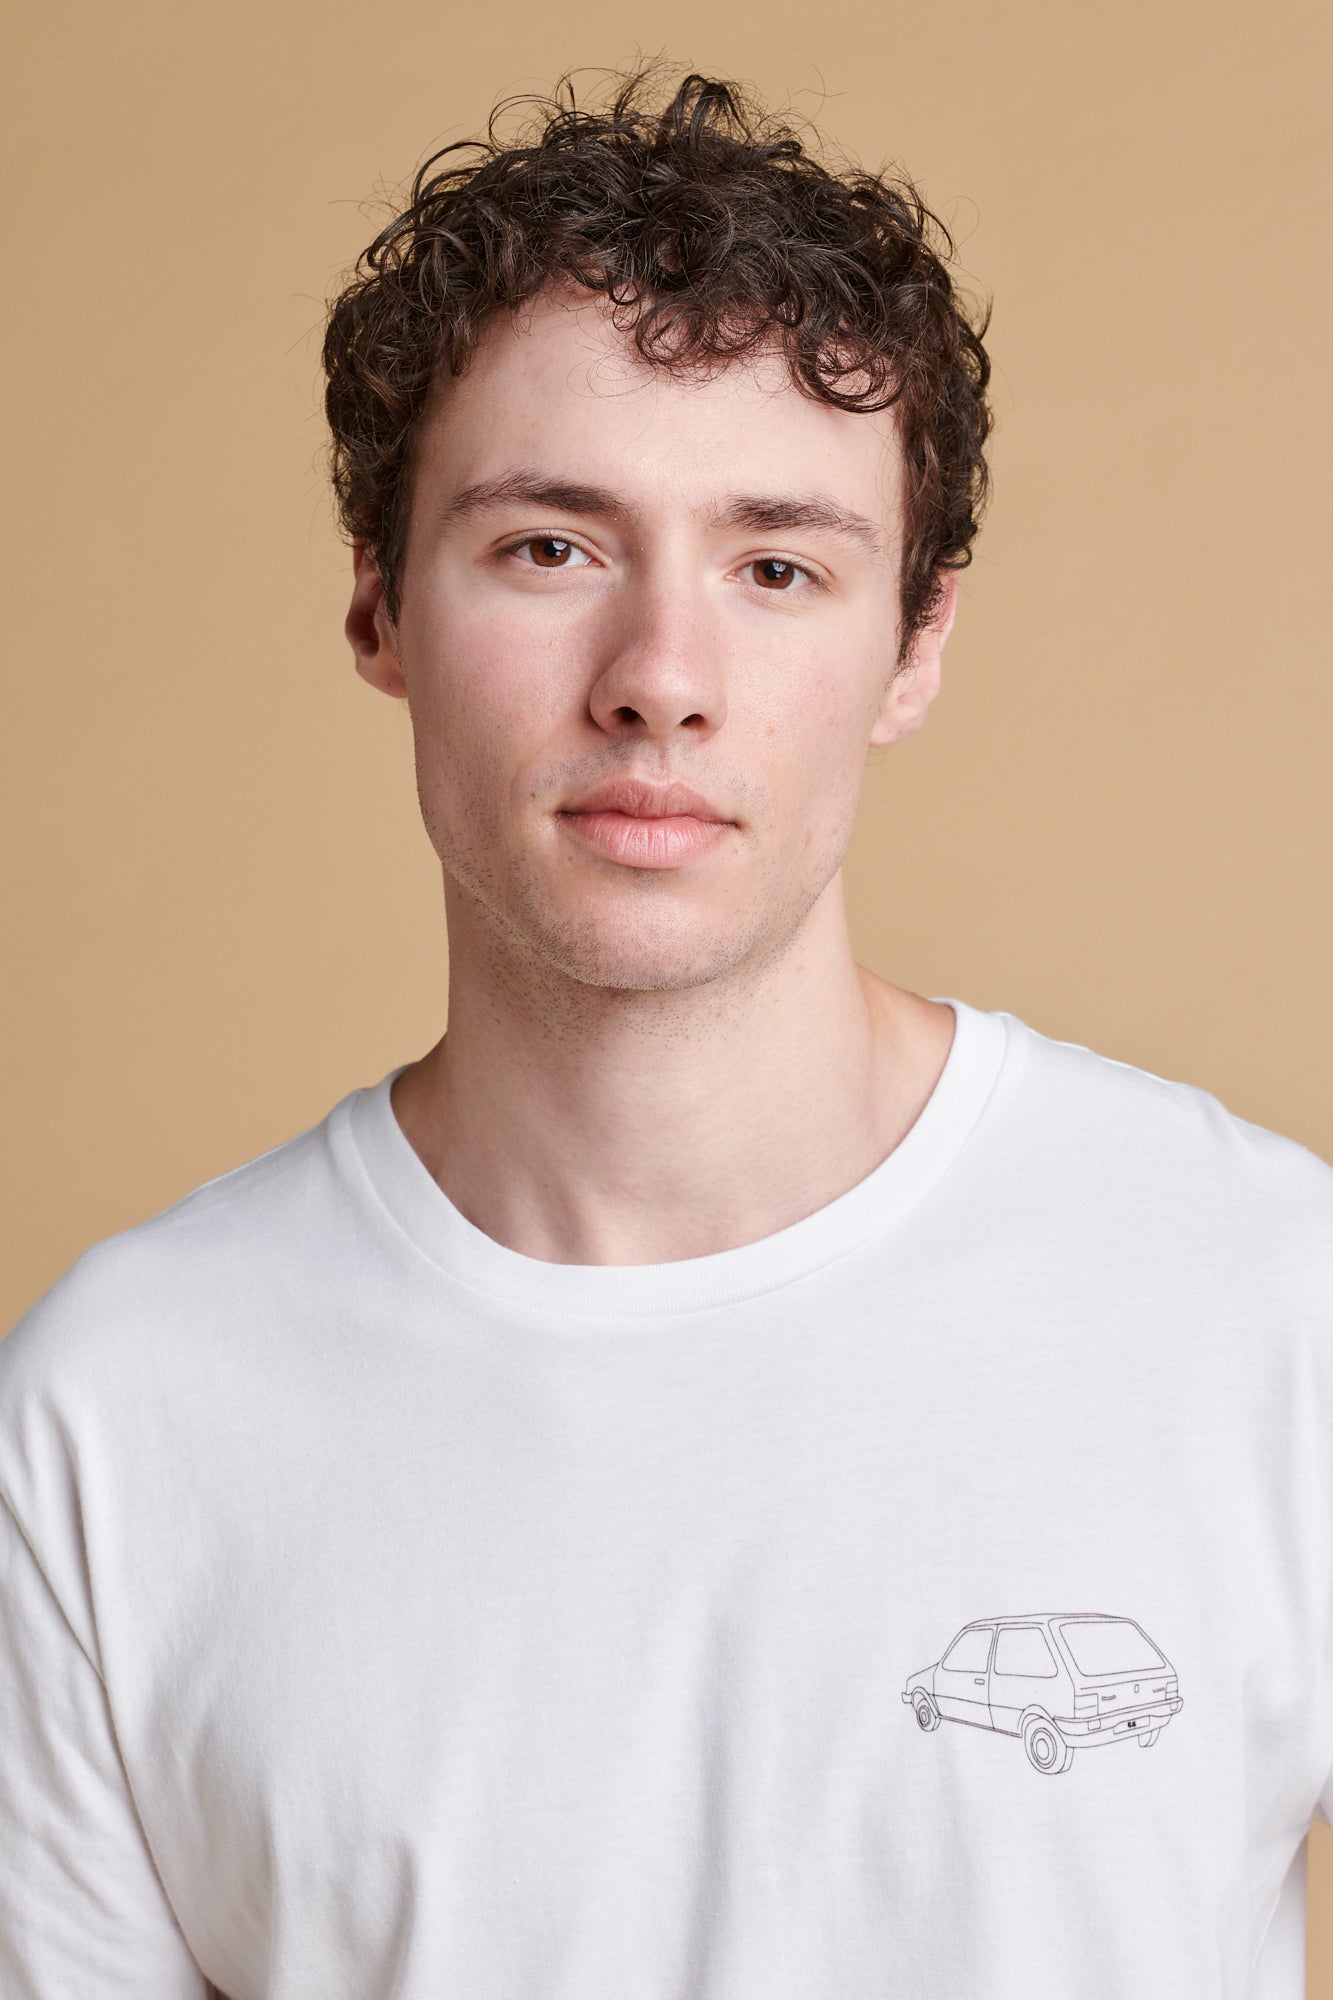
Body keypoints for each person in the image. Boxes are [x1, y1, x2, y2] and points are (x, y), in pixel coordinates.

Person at [0, 62, 1329, 2000]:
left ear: (917, 640)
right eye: (551, 546)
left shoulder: (1268, 1298)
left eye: (776, 565)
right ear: (376, 599)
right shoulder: (114, 1422)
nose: (662, 682)